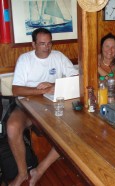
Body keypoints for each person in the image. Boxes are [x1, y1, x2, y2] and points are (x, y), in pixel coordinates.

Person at [7, 28, 78, 186]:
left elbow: (75, 76)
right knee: (12, 127)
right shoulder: (25, 59)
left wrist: (53, 84)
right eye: (42, 44)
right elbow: (16, 89)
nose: (47, 47)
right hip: (26, 106)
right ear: (33, 44)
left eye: (49, 43)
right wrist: (41, 90)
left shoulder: (58, 57)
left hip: (53, 105)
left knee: (73, 128)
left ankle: (40, 170)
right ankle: (22, 172)